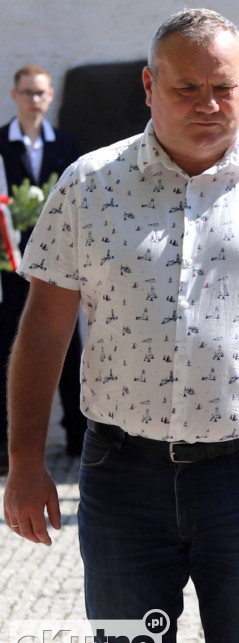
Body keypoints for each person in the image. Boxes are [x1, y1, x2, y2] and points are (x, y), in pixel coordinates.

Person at [2, 9, 239, 643]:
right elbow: (44, 329)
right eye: (186, 88)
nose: (208, 104)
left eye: (222, 87)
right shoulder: (88, 186)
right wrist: (24, 458)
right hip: (120, 483)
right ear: (148, 84)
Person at [0, 64, 85, 462]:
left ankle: (77, 440)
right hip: (7, 263)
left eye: (41, 93)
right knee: (7, 346)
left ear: (50, 97)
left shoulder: (68, 144)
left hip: (57, 264)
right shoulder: (0, 142)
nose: (34, 100)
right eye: (27, 92)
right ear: (14, 95)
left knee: (69, 347)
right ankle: (5, 444)